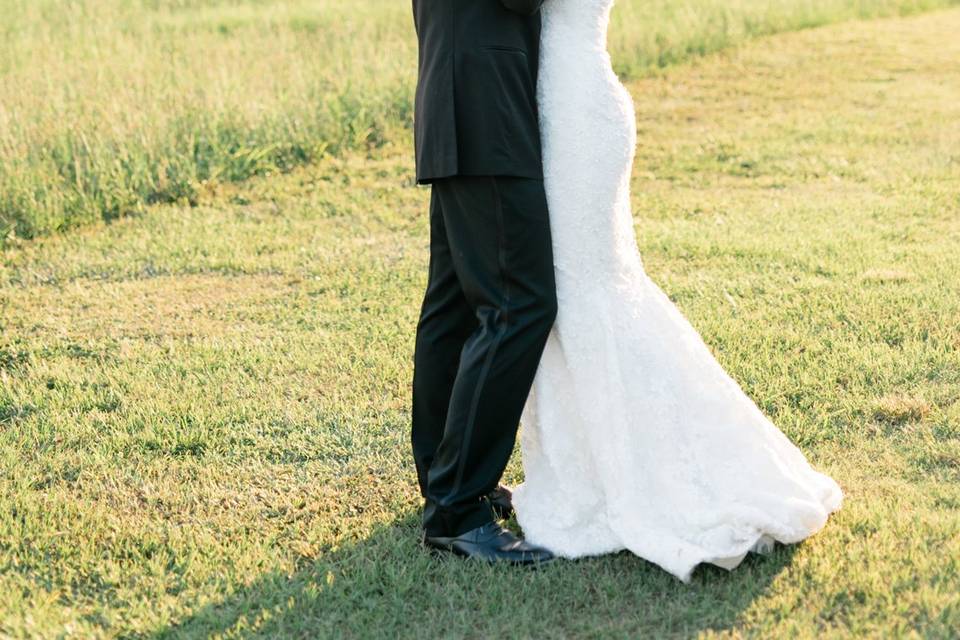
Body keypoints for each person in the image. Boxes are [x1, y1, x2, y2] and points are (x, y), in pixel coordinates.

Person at [511, 0, 843, 582]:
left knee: (588, 294)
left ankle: (630, 477)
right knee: (586, 293)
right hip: (570, 104)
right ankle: (594, 467)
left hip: (574, 113)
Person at [410, 0, 557, 565]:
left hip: (460, 94)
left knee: (455, 306)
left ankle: (443, 478)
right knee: (518, 303)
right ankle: (454, 507)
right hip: (483, 104)